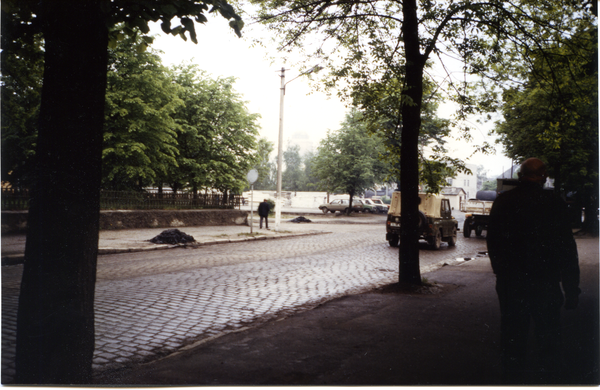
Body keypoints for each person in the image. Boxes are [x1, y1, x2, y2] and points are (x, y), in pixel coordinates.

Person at [487, 157, 580, 384]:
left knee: (512, 336)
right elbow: (567, 249)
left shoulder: (504, 201)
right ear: (544, 176)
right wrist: (571, 288)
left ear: (520, 176)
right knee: (549, 337)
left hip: (512, 282)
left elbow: (493, 242)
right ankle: (548, 381)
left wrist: (500, 272)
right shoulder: (553, 203)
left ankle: (512, 380)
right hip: (545, 282)